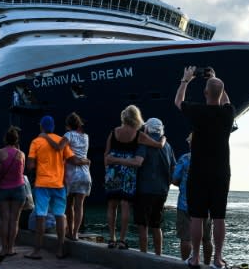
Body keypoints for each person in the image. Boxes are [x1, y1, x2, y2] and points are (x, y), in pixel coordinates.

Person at [174, 66, 236, 269]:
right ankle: (218, 258)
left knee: (197, 216)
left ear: (205, 93)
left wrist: (185, 80)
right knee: (219, 217)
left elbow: (178, 102)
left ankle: (195, 257)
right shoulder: (228, 113)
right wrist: (217, 79)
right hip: (221, 172)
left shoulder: (198, 112)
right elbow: (225, 99)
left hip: (199, 171)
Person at [103, 105, 162, 250]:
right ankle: (122, 240)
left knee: (111, 205)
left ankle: (111, 239)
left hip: (112, 171)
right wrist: (164, 138)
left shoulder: (114, 132)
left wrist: (108, 169)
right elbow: (158, 145)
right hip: (128, 171)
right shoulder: (138, 135)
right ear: (137, 117)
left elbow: (106, 153)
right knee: (125, 206)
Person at [25, 115, 80, 260]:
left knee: (40, 216)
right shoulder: (61, 140)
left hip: (42, 184)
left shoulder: (36, 141)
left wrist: (36, 165)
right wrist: (85, 161)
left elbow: (30, 165)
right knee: (60, 216)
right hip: (58, 184)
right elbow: (73, 159)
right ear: (53, 127)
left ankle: (37, 251)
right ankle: (60, 249)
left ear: (41, 126)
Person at [40, 112, 92, 241]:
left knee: (69, 205)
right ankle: (75, 233)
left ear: (68, 125)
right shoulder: (86, 137)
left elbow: (58, 147)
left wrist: (46, 137)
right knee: (80, 205)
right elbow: (81, 156)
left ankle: (69, 231)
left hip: (72, 174)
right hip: (85, 174)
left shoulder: (68, 135)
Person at [134, 118, 175, 255]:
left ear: (147, 128)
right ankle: (159, 255)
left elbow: (138, 162)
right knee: (157, 225)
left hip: (145, 189)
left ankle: (143, 254)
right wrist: (167, 182)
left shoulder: (144, 143)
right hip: (162, 190)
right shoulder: (168, 146)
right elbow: (173, 167)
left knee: (143, 225)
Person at [172, 133, 212, 264]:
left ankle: (185, 263)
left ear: (191, 144)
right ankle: (207, 264)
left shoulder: (184, 159)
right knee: (206, 238)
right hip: (206, 205)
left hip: (185, 204)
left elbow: (175, 179)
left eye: (189, 142)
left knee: (186, 238)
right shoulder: (210, 159)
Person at [0, 126, 26, 256]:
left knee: (4, 220)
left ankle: (3, 249)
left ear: (5, 139)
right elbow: (22, 171)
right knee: (15, 220)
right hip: (19, 189)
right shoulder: (21, 154)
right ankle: (11, 248)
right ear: (16, 140)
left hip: (3, 189)